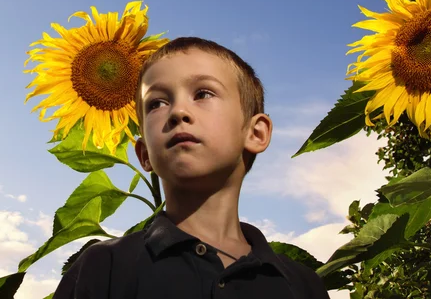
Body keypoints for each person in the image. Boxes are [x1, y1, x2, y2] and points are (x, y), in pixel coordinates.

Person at [53, 37, 330, 299]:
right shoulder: (103, 268)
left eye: (203, 93)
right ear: (145, 154)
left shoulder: (303, 285)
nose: (177, 112)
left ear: (256, 133)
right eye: (157, 103)